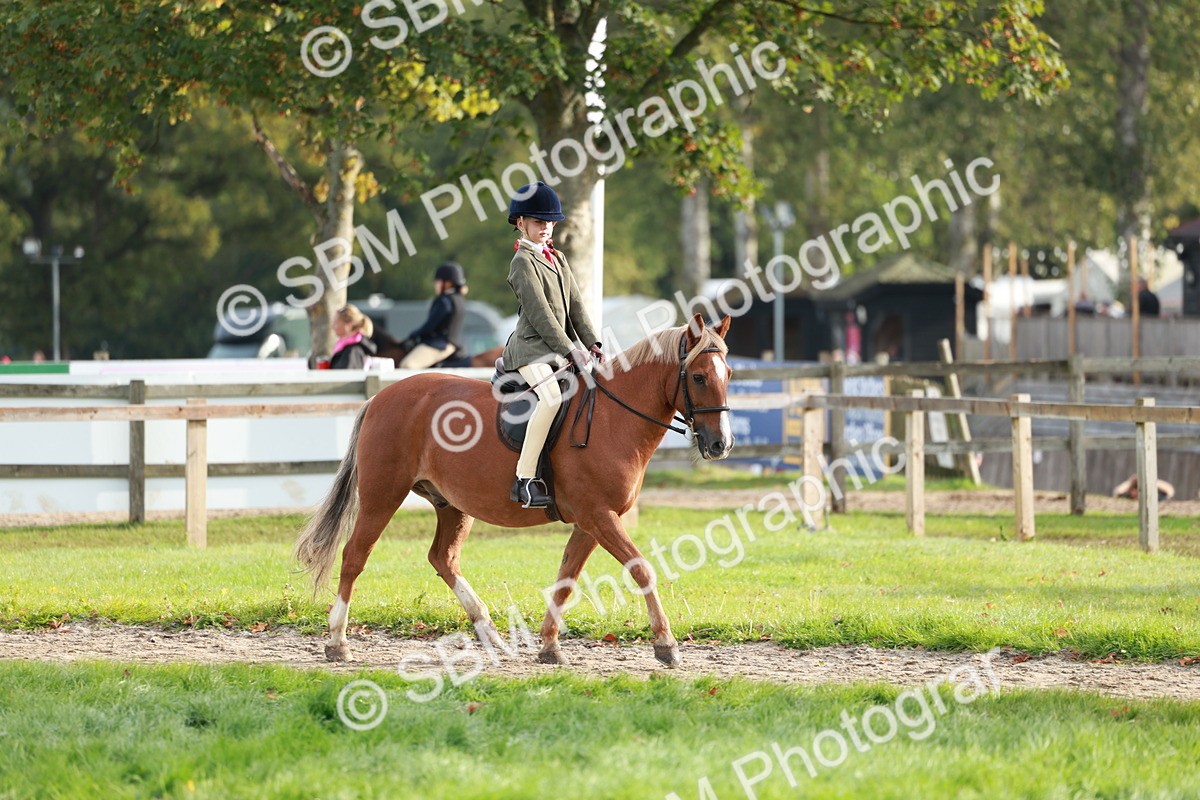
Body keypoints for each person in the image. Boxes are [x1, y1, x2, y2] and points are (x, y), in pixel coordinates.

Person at [501, 181, 604, 508]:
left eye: (549, 222)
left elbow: (576, 305)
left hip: (557, 349)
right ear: (521, 223)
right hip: (530, 350)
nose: (545, 227)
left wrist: (592, 341)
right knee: (552, 397)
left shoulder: (557, 258)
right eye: (538, 222)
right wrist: (570, 349)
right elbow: (541, 314)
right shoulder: (522, 262)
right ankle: (524, 479)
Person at [399, 262, 467, 369]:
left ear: (448, 283)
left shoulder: (444, 301)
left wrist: (413, 335)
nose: (435, 285)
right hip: (451, 345)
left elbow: (430, 326)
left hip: (439, 345)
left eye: (438, 282)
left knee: (407, 366)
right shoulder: (458, 299)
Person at [329, 304, 378, 369]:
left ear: (349, 325)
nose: (332, 327)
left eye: (336, 323)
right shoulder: (346, 348)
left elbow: (347, 374)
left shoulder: (353, 351)